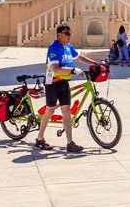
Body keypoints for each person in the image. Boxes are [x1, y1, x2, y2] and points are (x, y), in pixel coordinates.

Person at [35, 23, 98, 152]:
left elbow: (79, 57)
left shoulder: (68, 47)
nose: (69, 36)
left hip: (64, 83)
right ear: (59, 35)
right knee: (50, 111)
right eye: (67, 33)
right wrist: (73, 69)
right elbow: (56, 69)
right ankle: (39, 139)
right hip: (52, 83)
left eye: (70, 33)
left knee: (67, 113)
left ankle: (70, 143)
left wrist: (96, 63)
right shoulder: (54, 47)